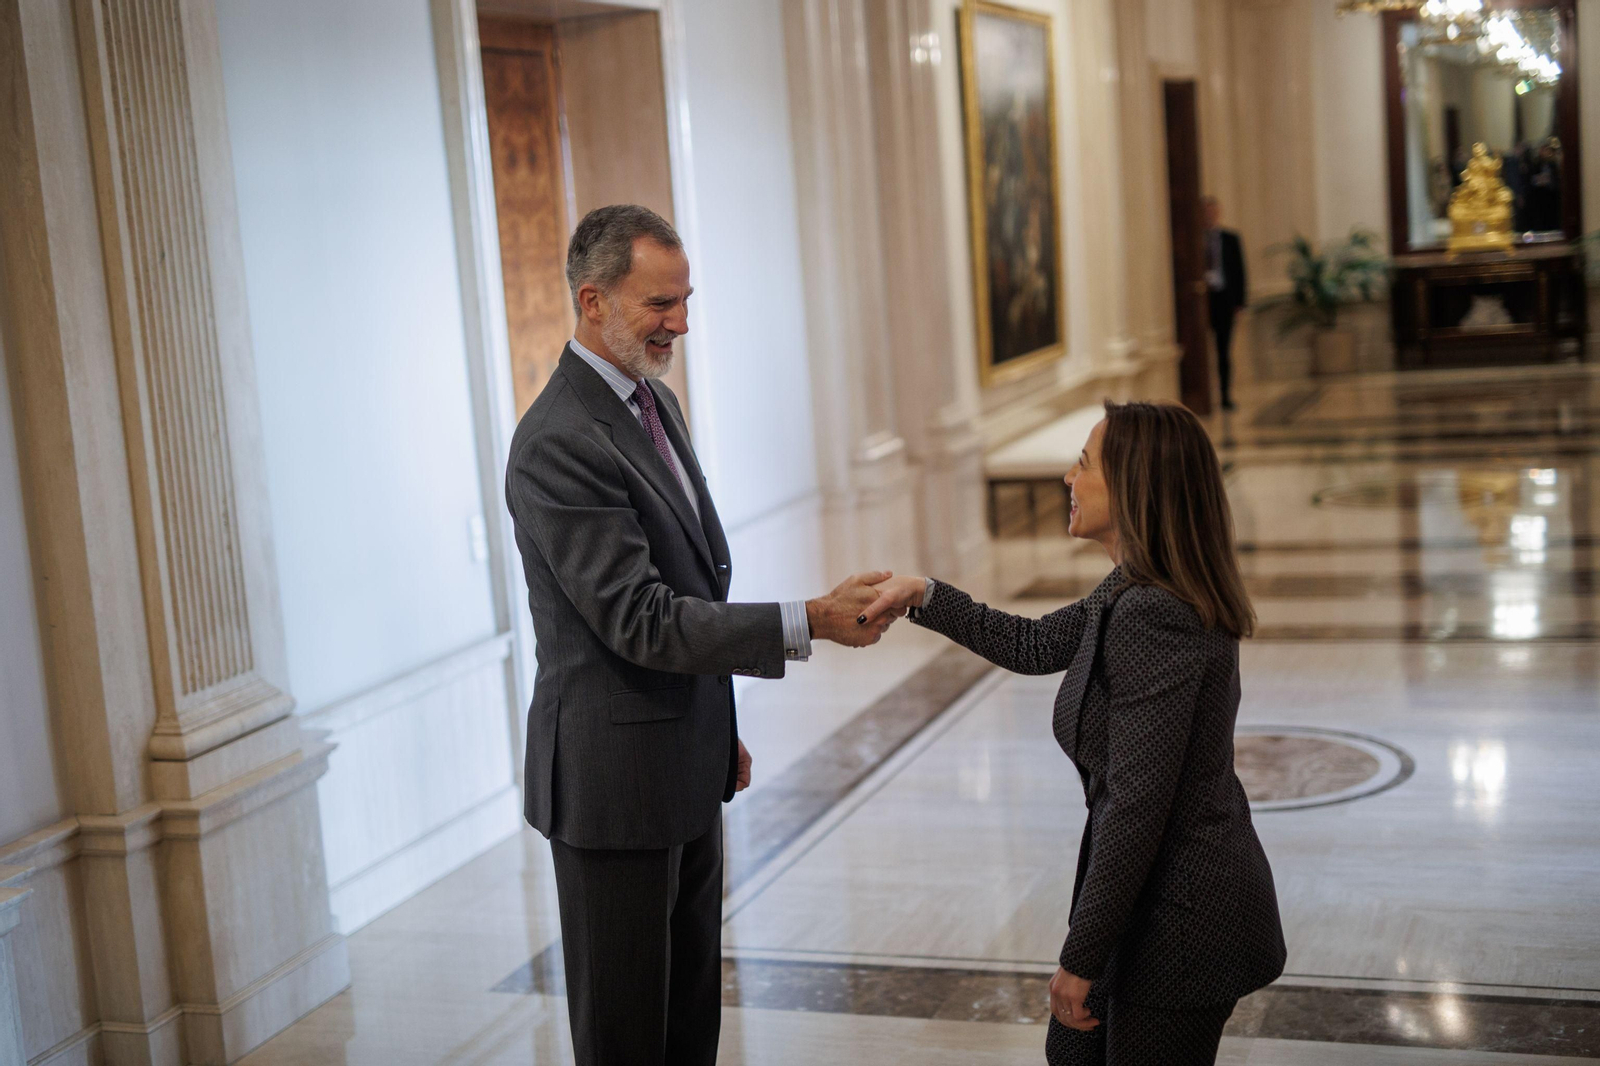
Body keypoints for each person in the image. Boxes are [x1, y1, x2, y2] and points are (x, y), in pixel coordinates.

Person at [504, 204, 899, 1066]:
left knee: (689, 1030)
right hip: (613, 791)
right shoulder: (557, 442)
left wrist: (713, 727)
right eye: (660, 304)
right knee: (627, 1038)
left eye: (685, 300)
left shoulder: (656, 402)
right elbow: (641, 618)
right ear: (593, 300)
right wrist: (808, 621)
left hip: (681, 763)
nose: (681, 323)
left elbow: (691, 584)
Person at [861, 401, 1286, 1066]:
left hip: (1181, 920)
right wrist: (924, 595)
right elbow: (1034, 644)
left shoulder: (1154, 613)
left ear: (1134, 487)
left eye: (1084, 464)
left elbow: (1136, 806)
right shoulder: (1135, 586)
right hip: (1150, 905)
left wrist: (1080, 958)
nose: (1068, 476)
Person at [1202, 197, 1246, 412]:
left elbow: (1240, 271)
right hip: (1202, 300)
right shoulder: (1194, 239)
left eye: (1213, 211)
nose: (1209, 215)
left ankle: (1225, 395)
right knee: (1202, 351)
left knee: (1223, 351)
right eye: (1206, 211)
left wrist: (1240, 302)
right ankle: (1203, 395)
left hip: (1225, 300)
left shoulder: (1230, 238)